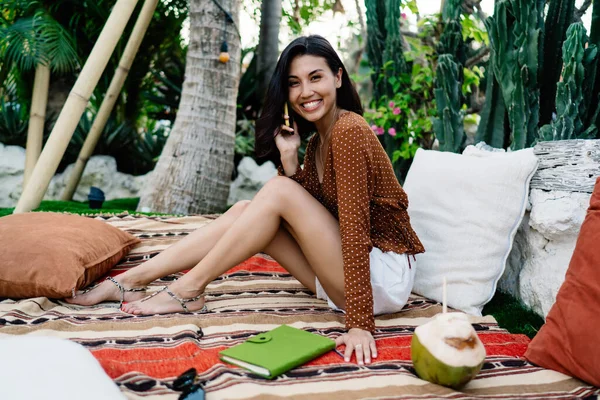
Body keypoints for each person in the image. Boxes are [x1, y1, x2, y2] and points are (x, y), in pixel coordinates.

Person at [67, 35, 424, 366]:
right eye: (294, 83)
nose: (306, 92)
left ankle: (187, 288)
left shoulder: (349, 131)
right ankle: (133, 279)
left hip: (381, 277)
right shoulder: (318, 140)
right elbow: (312, 211)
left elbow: (354, 227)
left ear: (339, 79)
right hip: (349, 273)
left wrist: (360, 323)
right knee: (244, 210)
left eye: (316, 78)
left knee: (277, 192)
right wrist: (289, 159)